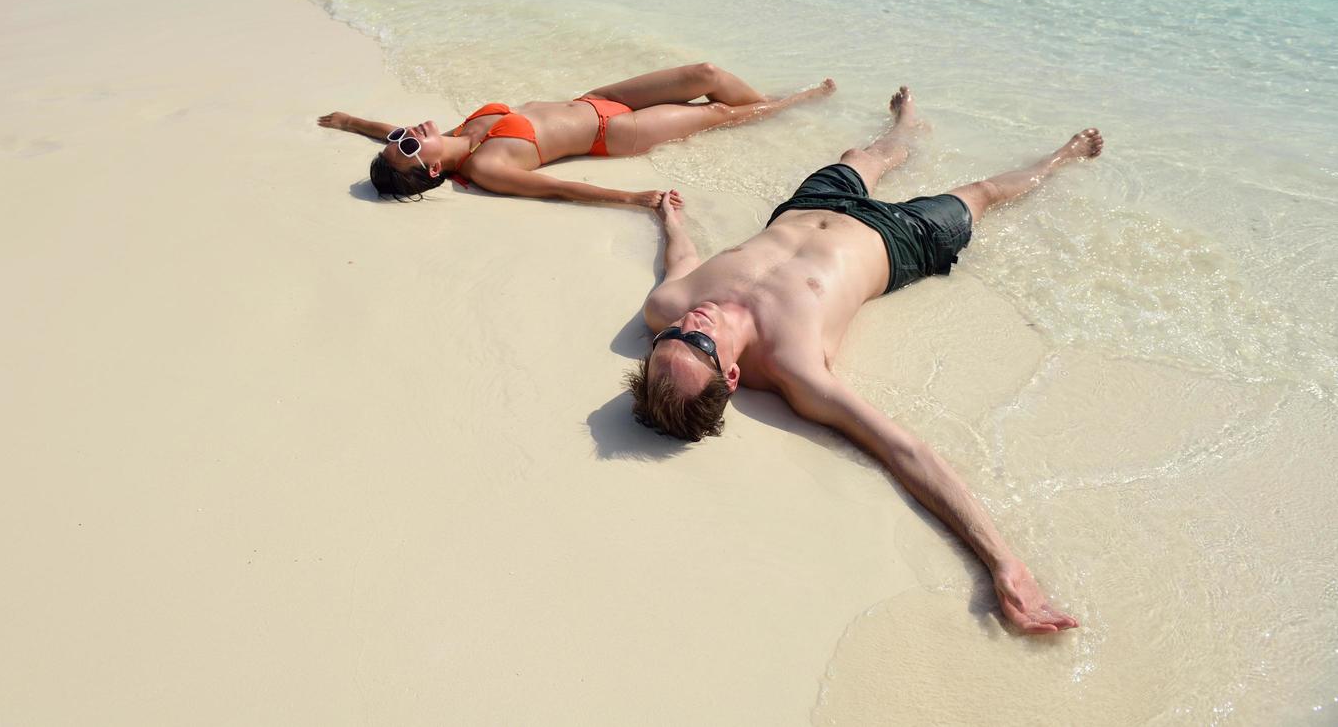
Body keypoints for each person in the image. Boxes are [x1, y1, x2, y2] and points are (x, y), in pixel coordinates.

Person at [627, 86, 1101, 633]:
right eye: (699, 343)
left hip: (810, 207)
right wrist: (1004, 563)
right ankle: (1064, 157)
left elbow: (680, 265)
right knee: (984, 191)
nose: (693, 322)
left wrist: (673, 223)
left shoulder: (667, 307)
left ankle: (907, 126)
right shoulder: (794, 367)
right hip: (899, 240)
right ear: (730, 376)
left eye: (672, 337)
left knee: (864, 156)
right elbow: (905, 452)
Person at [318, 62, 834, 206]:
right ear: (431, 169)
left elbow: (391, 131)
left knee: (706, 74)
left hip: (597, 98)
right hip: (618, 131)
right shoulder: (487, 167)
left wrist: (353, 122)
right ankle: (800, 102)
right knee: (721, 112)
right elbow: (562, 188)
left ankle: (774, 104)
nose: (409, 133)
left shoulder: (455, 133)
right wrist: (634, 197)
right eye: (408, 145)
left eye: (403, 134)